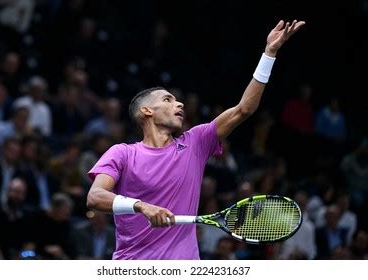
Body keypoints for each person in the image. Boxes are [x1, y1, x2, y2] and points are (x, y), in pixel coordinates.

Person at [86, 20, 305, 260]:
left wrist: (269, 53)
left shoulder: (195, 143)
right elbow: (95, 198)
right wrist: (141, 206)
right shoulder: (123, 153)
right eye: (168, 100)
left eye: (177, 100)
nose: (179, 103)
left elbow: (244, 109)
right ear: (146, 111)